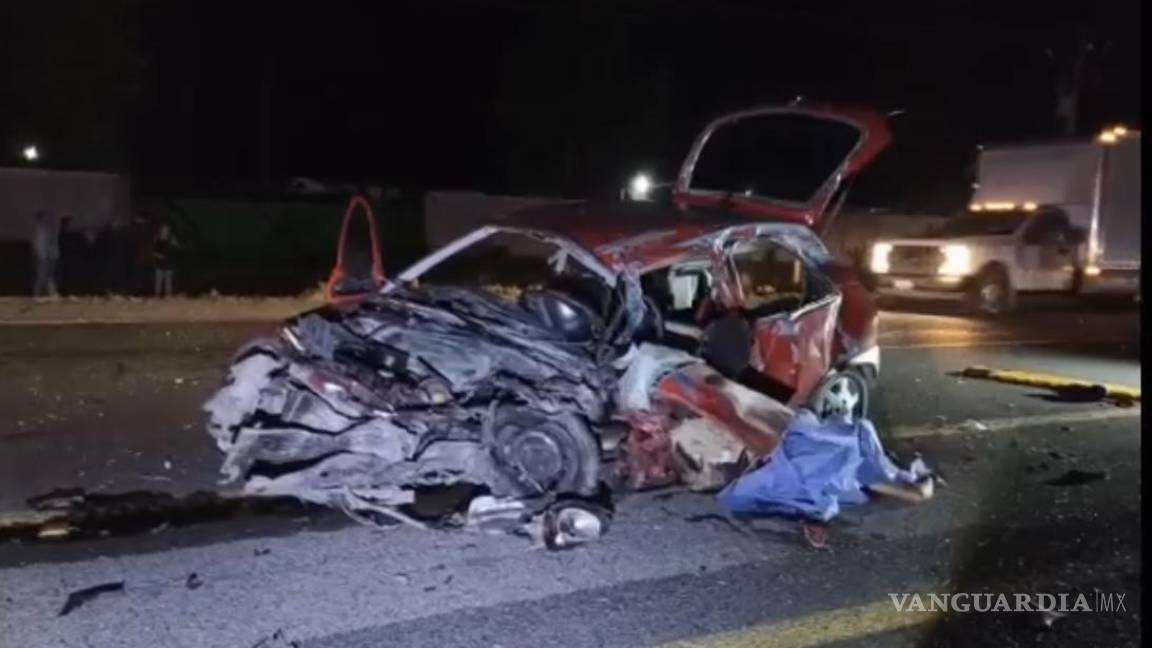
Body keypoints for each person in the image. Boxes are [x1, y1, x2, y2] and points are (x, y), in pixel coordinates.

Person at [30, 211, 59, 297]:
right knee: (42, 276)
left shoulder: (48, 228)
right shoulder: (41, 229)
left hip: (50, 255)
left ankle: (52, 293)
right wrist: (43, 254)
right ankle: (37, 294)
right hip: (45, 256)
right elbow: (41, 243)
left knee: (49, 276)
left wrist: (54, 254)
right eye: (45, 217)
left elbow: (51, 243)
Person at [152, 224, 180, 297]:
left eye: (167, 230)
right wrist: (158, 256)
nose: (165, 231)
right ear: (161, 230)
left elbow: (177, 251)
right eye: (164, 230)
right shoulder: (157, 239)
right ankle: (157, 296)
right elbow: (153, 251)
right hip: (159, 265)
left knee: (168, 283)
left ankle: (168, 297)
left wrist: (175, 244)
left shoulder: (172, 239)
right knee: (158, 282)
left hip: (169, 265)